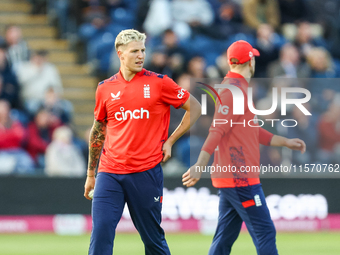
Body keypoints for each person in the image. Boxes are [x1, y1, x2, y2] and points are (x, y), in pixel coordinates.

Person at [182, 40, 306, 255]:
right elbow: (216, 130)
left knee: (224, 238)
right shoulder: (234, 91)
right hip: (240, 177)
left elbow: (252, 130)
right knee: (264, 231)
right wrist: (200, 165)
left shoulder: (236, 88)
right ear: (251, 61)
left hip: (233, 177)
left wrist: (284, 141)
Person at [83, 29, 201, 255]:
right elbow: (98, 131)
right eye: (134, 51)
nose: (140, 55)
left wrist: (171, 140)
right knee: (101, 232)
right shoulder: (105, 88)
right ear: (120, 54)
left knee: (153, 240)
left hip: (145, 173)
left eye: (143, 50)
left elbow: (194, 107)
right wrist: (91, 174)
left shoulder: (159, 83)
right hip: (109, 173)